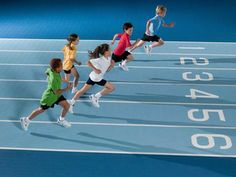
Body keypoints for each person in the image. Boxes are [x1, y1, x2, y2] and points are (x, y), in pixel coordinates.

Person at [20, 58, 72, 131]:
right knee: (41, 110)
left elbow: (47, 72)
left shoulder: (51, 70)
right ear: (57, 68)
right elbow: (56, 91)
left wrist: (64, 80)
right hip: (50, 97)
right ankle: (26, 120)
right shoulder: (54, 79)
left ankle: (61, 120)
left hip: (56, 96)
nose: (62, 66)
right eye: (61, 65)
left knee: (66, 105)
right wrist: (67, 88)